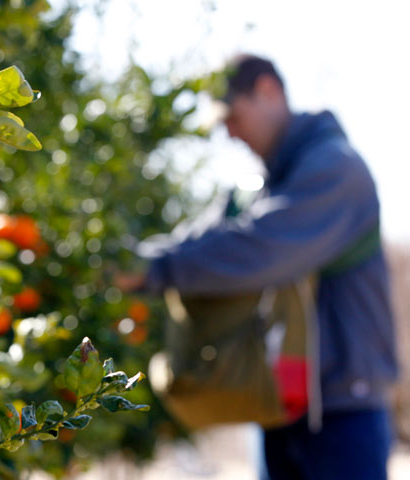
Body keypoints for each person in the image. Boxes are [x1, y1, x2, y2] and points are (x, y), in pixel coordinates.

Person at [117, 54, 399, 480]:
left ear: (268, 90)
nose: (229, 133)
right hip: (279, 407)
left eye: (232, 116)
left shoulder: (337, 170)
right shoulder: (265, 184)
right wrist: (128, 260)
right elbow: (204, 238)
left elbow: (261, 248)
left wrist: (153, 268)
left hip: (342, 414)